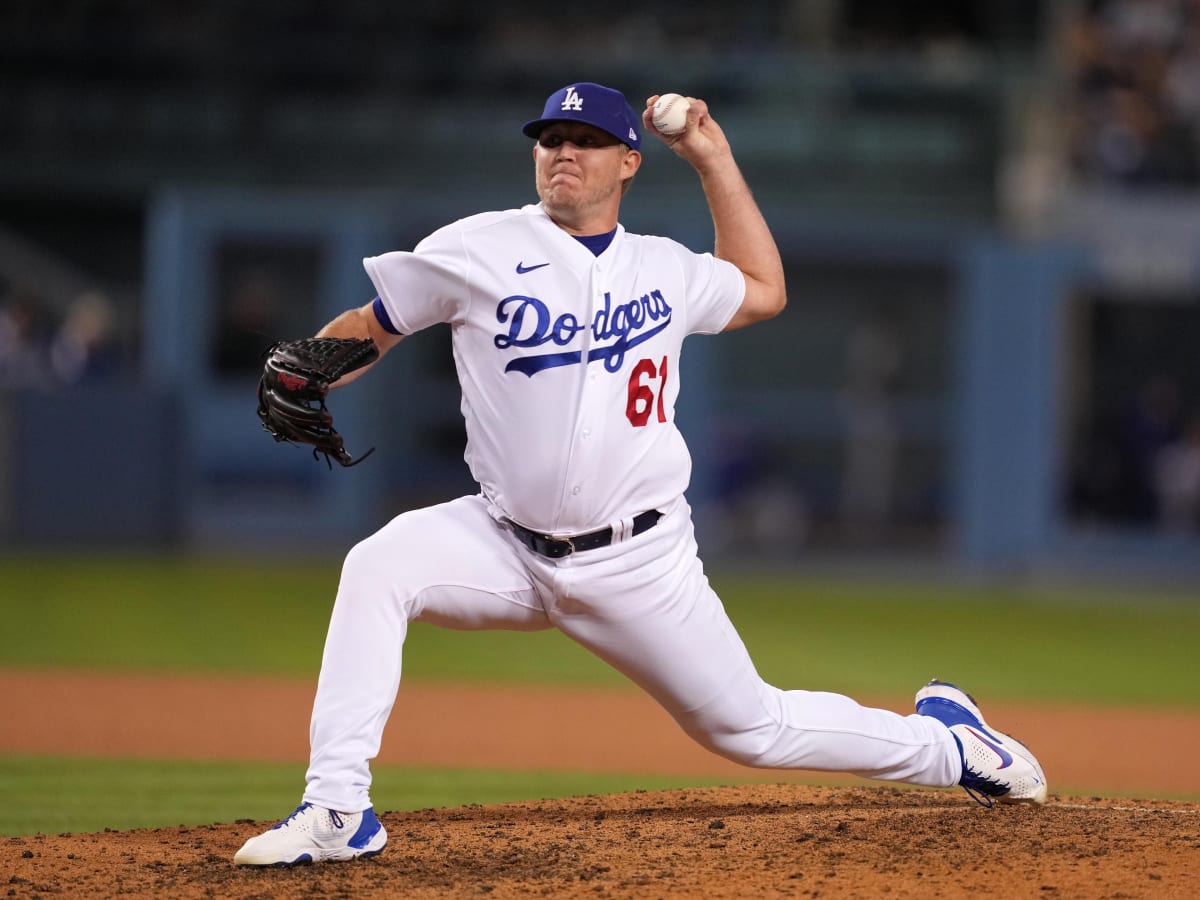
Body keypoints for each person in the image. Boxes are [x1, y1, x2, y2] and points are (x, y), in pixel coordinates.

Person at [233, 82, 1047, 867]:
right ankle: (339, 807)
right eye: (551, 139)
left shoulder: (664, 268)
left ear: (628, 161)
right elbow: (377, 325)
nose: (563, 152)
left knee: (750, 729)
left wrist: (712, 157)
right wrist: (314, 368)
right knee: (378, 566)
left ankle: (949, 745)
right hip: (503, 541)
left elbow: (764, 290)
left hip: (639, 561)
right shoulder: (479, 246)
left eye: (587, 142)